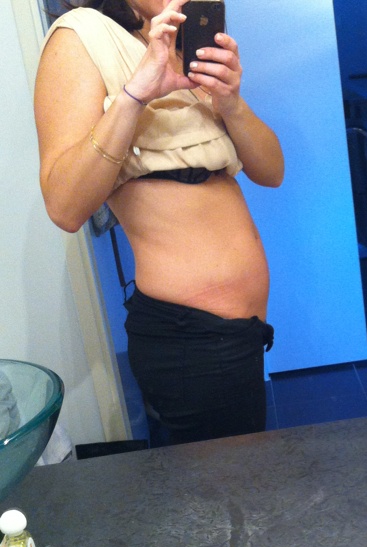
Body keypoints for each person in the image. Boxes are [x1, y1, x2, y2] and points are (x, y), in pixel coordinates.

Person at [34, 0, 284, 446]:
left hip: (237, 336)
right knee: (230, 485)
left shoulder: (183, 51)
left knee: (241, 480)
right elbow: (65, 207)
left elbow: (272, 172)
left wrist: (231, 103)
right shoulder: (81, 34)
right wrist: (134, 96)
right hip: (189, 340)